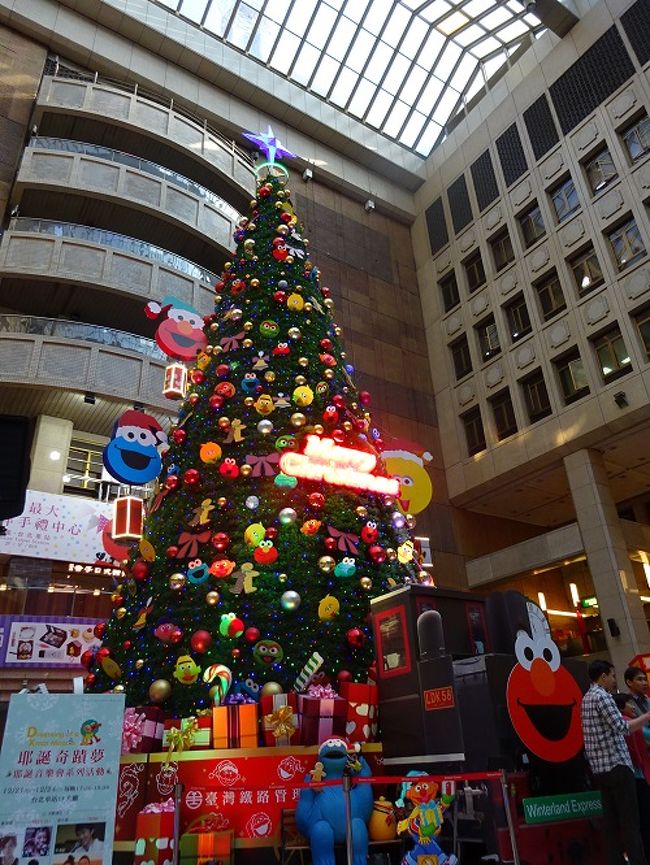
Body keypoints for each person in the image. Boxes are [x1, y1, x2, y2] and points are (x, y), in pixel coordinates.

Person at [581, 660, 650, 865]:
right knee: (630, 821)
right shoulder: (603, 697)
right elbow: (623, 727)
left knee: (611, 822)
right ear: (603, 676)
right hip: (616, 765)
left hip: (600, 769)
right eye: (612, 675)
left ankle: (616, 860)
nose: (613, 680)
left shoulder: (586, 698)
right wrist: (647, 716)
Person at [614, 693, 650, 862]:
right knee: (644, 818)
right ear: (621, 707)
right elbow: (638, 750)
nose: (633, 706)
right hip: (637, 775)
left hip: (634, 775)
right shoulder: (628, 724)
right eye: (629, 704)